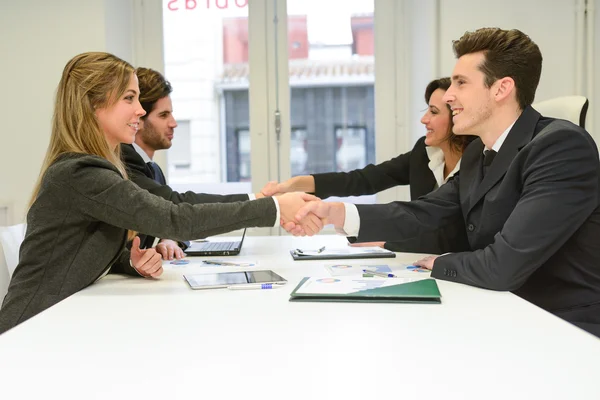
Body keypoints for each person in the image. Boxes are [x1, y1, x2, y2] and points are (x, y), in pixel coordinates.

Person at [291, 27, 600, 337]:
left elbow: (502, 267)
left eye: (461, 83)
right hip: (502, 308)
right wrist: (338, 214)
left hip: (562, 326)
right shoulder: (479, 150)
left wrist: (441, 263)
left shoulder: (561, 147)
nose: (449, 95)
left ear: (502, 88)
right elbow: (426, 212)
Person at [0, 52, 320, 334]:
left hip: (56, 323)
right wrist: (274, 208)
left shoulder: (94, 170)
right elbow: (174, 217)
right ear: (94, 104)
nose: (140, 110)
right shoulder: (80, 173)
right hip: (28, 332)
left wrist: (130, 263)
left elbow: (76, 251)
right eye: (129, 98)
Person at [262, 77, 475, 253]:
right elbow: (364, 179)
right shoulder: (424, 153)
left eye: (434, 112)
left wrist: (385, 241)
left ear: (458, 115)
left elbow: (449, 232)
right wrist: (292, 185)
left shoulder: (480, 162)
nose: (424, 119)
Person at [121, 67, 266, 260]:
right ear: (138, 119)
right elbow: (178, 206)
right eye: (163, 115)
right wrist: (257, 200)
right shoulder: (125, 163)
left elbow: (171, 218)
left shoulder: (153, 169)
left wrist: (170, 239)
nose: (173, 123)